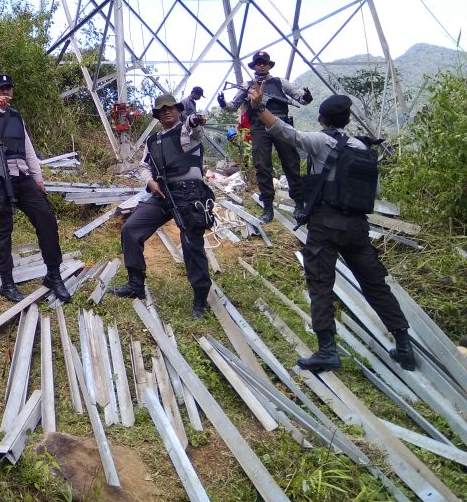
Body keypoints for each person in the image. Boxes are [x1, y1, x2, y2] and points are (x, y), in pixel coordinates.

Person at [246, 89, 416, 373]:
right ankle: (404, 346)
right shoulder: (362, 148)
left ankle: (327, 351)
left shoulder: (320, 141)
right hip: (358, 227)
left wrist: (258, 105)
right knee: (375, 285)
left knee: (321, 284)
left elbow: (284, 131)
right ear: (347, 120)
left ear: (321, 118)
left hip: (326, 224)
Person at [0, 73, 71, 302]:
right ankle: (7, 283)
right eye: (0, 88)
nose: (5, 92)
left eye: (8, 88)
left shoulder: (16, 116)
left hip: (22, 177)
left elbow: (28, 149)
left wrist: (38, 178)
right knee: (3, 230)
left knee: (46, 220)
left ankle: (53, 274)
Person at [112, 94, 215, 318]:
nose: (167, 111)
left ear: (179, 110)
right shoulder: (153, 140)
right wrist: (150, 182)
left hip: (189, 196)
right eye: (162, 109)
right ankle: (135, 284)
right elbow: (143, 166)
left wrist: (195, 120)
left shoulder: (189, 132)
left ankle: (200, 299)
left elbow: (194, 126)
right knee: (131, 229)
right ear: (157, 115)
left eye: (171, 108)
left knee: (191, 244)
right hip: (162, 194)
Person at [218, 50, 312, 223]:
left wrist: (306, 96)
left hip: (281, 124)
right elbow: (232, 106)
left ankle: (299, 203)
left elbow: (301, 98)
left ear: (269, 65)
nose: (261, 65)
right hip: (259, 127)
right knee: (262, 165)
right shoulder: (247, 86)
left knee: (291, 163)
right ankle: (268, 207)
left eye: (264, 63)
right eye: (258, 63)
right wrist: (223, 103)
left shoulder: (280, 82)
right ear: (254, 66)